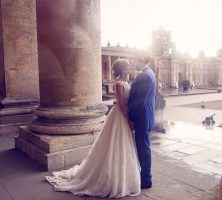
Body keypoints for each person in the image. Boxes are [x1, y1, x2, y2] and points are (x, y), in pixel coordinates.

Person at [45, 59, 141, 198]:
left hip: (121, 116)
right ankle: (112, 178)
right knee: (115, 145)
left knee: (122, 146)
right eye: (127, 66)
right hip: (120, 117)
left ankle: (122, 174)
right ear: (122, 69)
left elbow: (122, 101)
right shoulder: (119, 84)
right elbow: (122, 106)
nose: (129, 67)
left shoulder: (127, 83)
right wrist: (129, 120)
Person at [128, 55, 156, 189]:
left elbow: (140, 102)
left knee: (143, 149)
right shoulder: (148, 73)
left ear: (142, 60)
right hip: (145, 117)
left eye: (136, 59)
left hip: (142, 118)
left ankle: (146, 179)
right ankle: (144, 176)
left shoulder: (145, 76)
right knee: (143, 147)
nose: (134, 62)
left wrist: (132, 118)